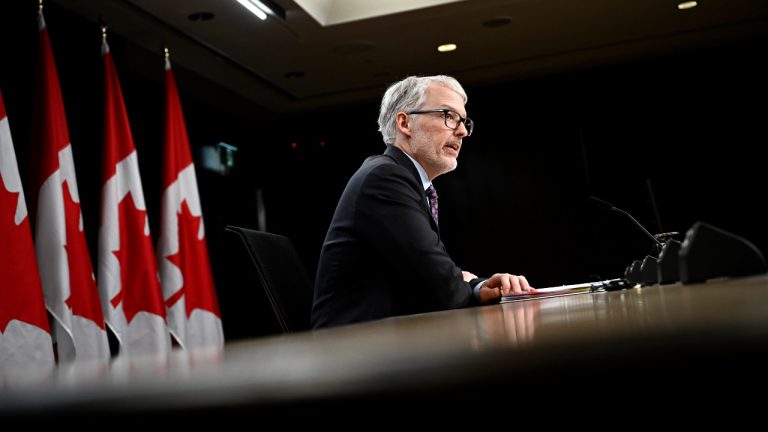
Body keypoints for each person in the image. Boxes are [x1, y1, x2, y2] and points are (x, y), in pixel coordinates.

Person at [312, 75, 534, 328]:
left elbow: (433, 275)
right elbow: (439, 285)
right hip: (354, 349)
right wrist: (464, 284)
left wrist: (474, 285)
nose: (462, 131)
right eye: (448, 116)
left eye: (463, 121)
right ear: (405, 123)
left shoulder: (402, 178)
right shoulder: (385, 177)